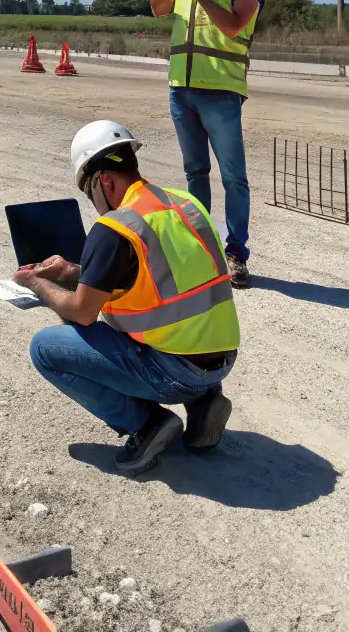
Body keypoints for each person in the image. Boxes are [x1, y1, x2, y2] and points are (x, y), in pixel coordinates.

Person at [14, 120, 239, 477]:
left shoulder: (116, 227)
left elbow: (82, 312)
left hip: (174, 373)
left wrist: (38, 284)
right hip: (220, 363)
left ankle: (147, 424)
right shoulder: (185, 204)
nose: (93, 203)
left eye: (89, 192)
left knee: (44, 349)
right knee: (175, 334)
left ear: (103, 181)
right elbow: (155, 272)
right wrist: (71, 271)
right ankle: (204, 403)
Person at [150, 0, 264, 289]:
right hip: (181, 91)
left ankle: (236, 254)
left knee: (233, 177)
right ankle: (201, 248)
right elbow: (157, 9)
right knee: (195, 172)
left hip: (221, 93)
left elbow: (233, 26)